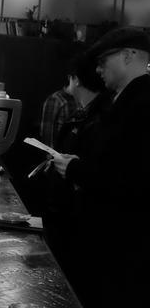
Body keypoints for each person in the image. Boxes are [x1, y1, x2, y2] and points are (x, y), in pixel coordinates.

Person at [51, 27, 150, 308]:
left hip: (121, 246)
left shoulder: (142, 104)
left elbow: (134, 180)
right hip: (108, 241)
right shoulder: (121, 99)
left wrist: (75, 170)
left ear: (128, 55)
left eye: (103, 59)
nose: (98, 68)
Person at [40, 51, 108, 295]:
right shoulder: (89, 112)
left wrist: (70, 167)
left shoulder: (100, 117)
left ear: (76, 79)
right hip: (66, 212)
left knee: (65, 283)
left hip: (75, 220)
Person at [39, 67, 79, 148]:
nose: (79, 84)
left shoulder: (81, 99)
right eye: (77, 79)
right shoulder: (56, 99)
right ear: (70, 78)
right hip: (58, 151)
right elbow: (47, 136)